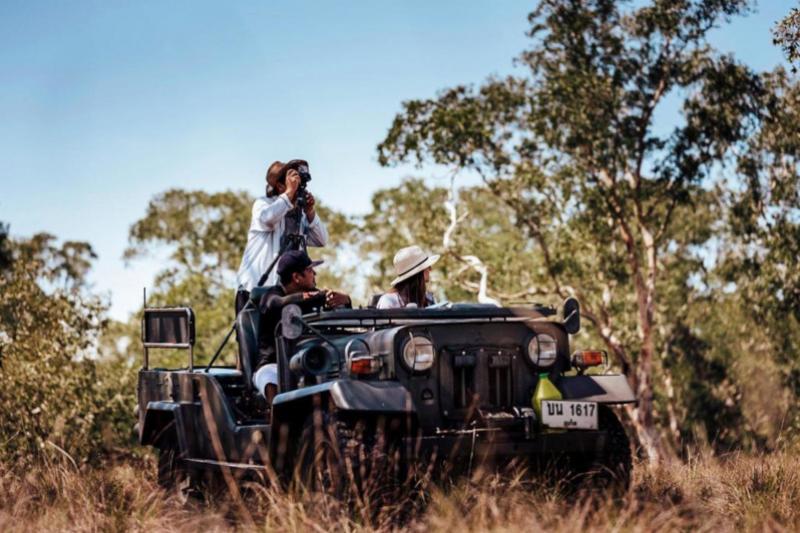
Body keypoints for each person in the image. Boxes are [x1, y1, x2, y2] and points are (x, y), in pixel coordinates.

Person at [253, 250, 350, 406]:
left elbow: (338, 315)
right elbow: (277, 303)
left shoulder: (314, 296)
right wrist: (316, 296)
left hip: (312, 360)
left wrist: (344, 300)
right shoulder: (271, 296)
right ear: (296, 277)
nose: (315, 274)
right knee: (270, 378)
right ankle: (278, 422)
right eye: (310, 270)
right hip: (274, 363)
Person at [234, 160, 328, 314]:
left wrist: (310, 212)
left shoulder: (300, 214)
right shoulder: (263, 204)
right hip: (255, 291)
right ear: (280, 186)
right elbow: (268, 219)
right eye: (293, 182)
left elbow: (321, 240)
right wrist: (289, 194)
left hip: (282, 295)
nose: (298, 187)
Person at [377, 245, 439, 309]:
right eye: (428, 266)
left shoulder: (429, 298)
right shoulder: (389, 301)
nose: (430, 269)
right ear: (419, 273)